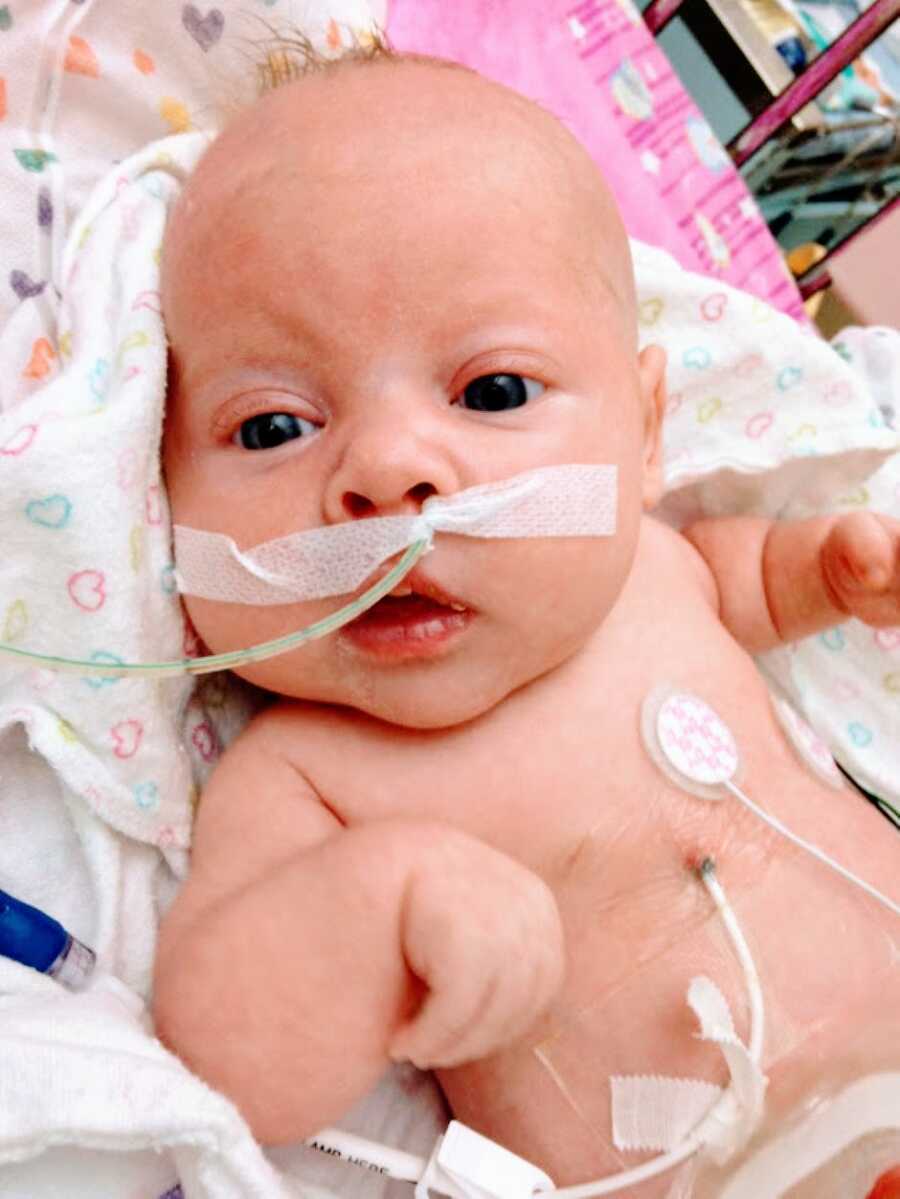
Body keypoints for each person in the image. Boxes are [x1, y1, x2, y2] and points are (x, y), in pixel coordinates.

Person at [153, 44, 900, 1194]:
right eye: (271, 427)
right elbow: (225, 1056)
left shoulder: (658, 569)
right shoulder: (307, 776)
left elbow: (761, 585)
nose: (390, 473)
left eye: (491, 391)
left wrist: (840, 571)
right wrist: (374, 907)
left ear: (646, 437)